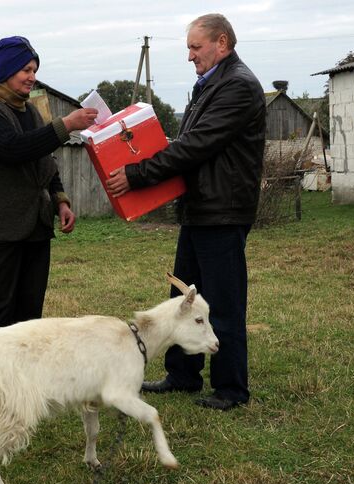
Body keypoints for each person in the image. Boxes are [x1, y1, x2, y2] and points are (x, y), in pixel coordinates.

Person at [106, 14, 265, 410]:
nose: (190, 56)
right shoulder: (210, 84)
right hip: (201, 208)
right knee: (184, 300)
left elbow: (195, 146)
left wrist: (138, 174)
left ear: (222, 43)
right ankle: (182, 375)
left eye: (196, 48)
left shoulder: (238, 87)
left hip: (222, 211)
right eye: (189, 48)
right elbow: (183, 141)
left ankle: (230, 389)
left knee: (223, 303)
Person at [0, 36, 98, 347]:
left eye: (34, 69)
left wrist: (60, 199)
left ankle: (19, 386)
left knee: (29, 315)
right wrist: (66, 125)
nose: (32, 76)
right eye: (25, 69)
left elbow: (43, 159)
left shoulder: (32, 111)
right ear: (7, 70)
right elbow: (13, 149)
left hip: (34, 226)